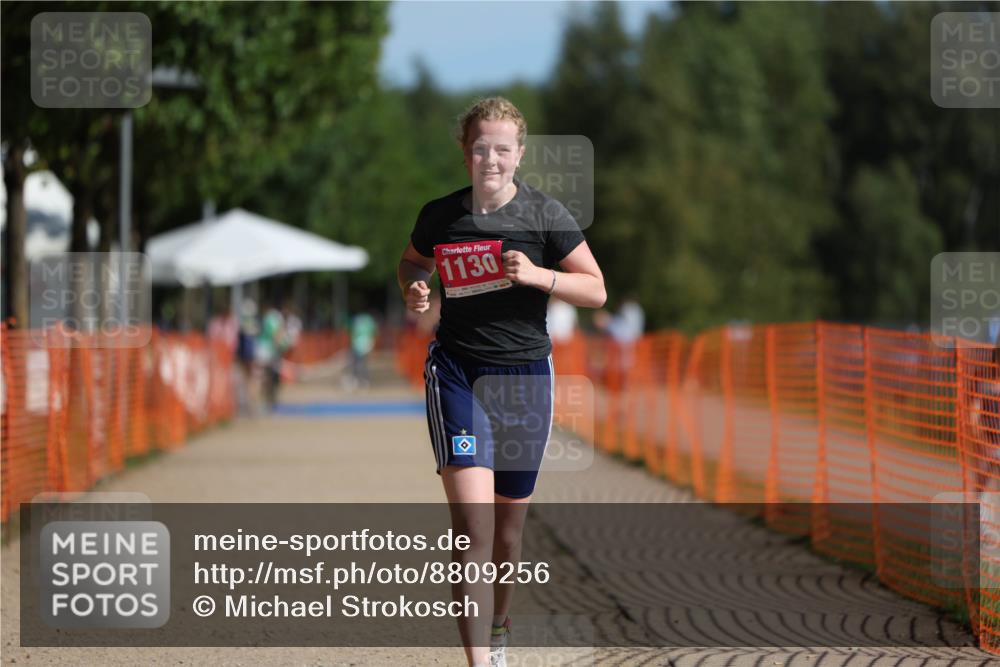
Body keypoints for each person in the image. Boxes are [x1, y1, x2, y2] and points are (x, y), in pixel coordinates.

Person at [397, 96, 606, 667]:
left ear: (519, 154)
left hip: (524, 381)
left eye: (502, 148)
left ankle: (499, 626)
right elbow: (413, 261)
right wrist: (416, 287)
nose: (491, 158)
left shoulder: (544, 214)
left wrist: (539, 275)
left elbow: (595, 288)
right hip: (458, 373)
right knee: (473, 531)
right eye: (480, 147)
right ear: (466, 153)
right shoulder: (440, 216)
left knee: (508, 539)